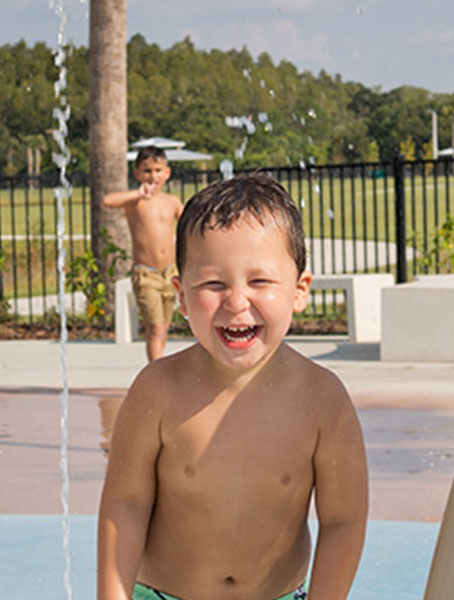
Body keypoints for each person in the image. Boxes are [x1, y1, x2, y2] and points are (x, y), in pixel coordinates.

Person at [97, 173, 369, 600]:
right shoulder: (158, 390)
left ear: (299, 291)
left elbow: (344, 519)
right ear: (182, 296)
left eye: (259, 282)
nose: (236, 301)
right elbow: (125, 504)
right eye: (213, 284)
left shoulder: (322, 401)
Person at [103, 146, 184, 361]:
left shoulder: (172, 202)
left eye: (158, 170)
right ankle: (156, 376)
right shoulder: (134, 202)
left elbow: (189, 224)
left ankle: (157, 367)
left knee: (163, 328)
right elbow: (107, 201)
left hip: (170, 274)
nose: (153, 176)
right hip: (146, 274)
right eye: (147, 171)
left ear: (167, 173)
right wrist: (137, 193)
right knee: (155, 328)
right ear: (137, 174)